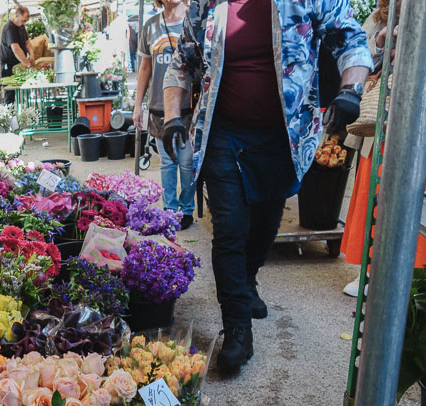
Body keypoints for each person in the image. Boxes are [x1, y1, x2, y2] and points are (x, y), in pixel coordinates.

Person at [162, 0, 372, 373]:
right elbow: (183, 62)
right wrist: (173, 117)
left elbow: (350, 38)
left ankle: (247, 279)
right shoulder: (206, 4)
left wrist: (351, 90)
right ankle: (237, 331)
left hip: (282, 137)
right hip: (221, 132)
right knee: (229, 230)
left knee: (264, 224)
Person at [341, 0, 426, 297]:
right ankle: (367, 271)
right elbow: (358, 62)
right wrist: (381, 43)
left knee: (416, 203)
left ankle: (416, 278)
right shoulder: (377, 21)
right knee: (371, 195)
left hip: (418, 124)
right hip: (382, 123)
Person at [134, 0, 195, 230]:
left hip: (189, 104)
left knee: (188, 161)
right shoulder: (150, 26)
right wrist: (138, 104)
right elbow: (145, 68)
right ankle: (169, 209)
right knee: (167, 162)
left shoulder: (193, 21)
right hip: (159, 105)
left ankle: (187, 209)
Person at [0, 6, 33, 104]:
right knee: (10, 94)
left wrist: (32, 55)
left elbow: (27, 42)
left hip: (18, 65)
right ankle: (10, 116)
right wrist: (27, 63)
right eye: (23, 20)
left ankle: (20, 113)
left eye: (25, 21)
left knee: (19, 92)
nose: (24, 23)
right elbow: (16, 49)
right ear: (16, 15)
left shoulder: (21, 26)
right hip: (8, 66)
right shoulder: (9, 28)